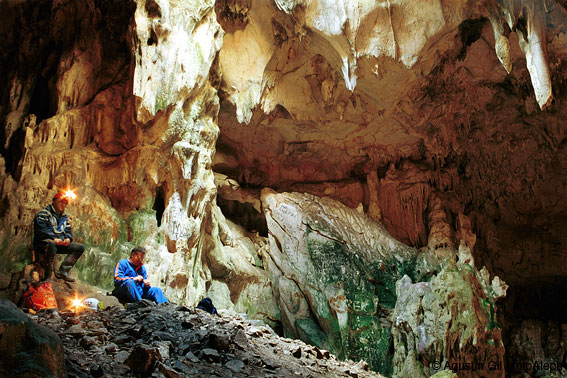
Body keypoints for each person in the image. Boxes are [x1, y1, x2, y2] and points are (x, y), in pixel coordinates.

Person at [33, 191, 84, 282]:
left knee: (79, 247)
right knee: (51, 244)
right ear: (54, 202)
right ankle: (47, 275)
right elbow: (41, 230)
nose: (63, 205)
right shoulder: (43, 214)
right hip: (43, 242)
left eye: (65, 203)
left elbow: (68, 231)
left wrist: (68, 239)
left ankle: (63, 271)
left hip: (58, 243)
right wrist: (54, 238)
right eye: (61, 202)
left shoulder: (64, 218)